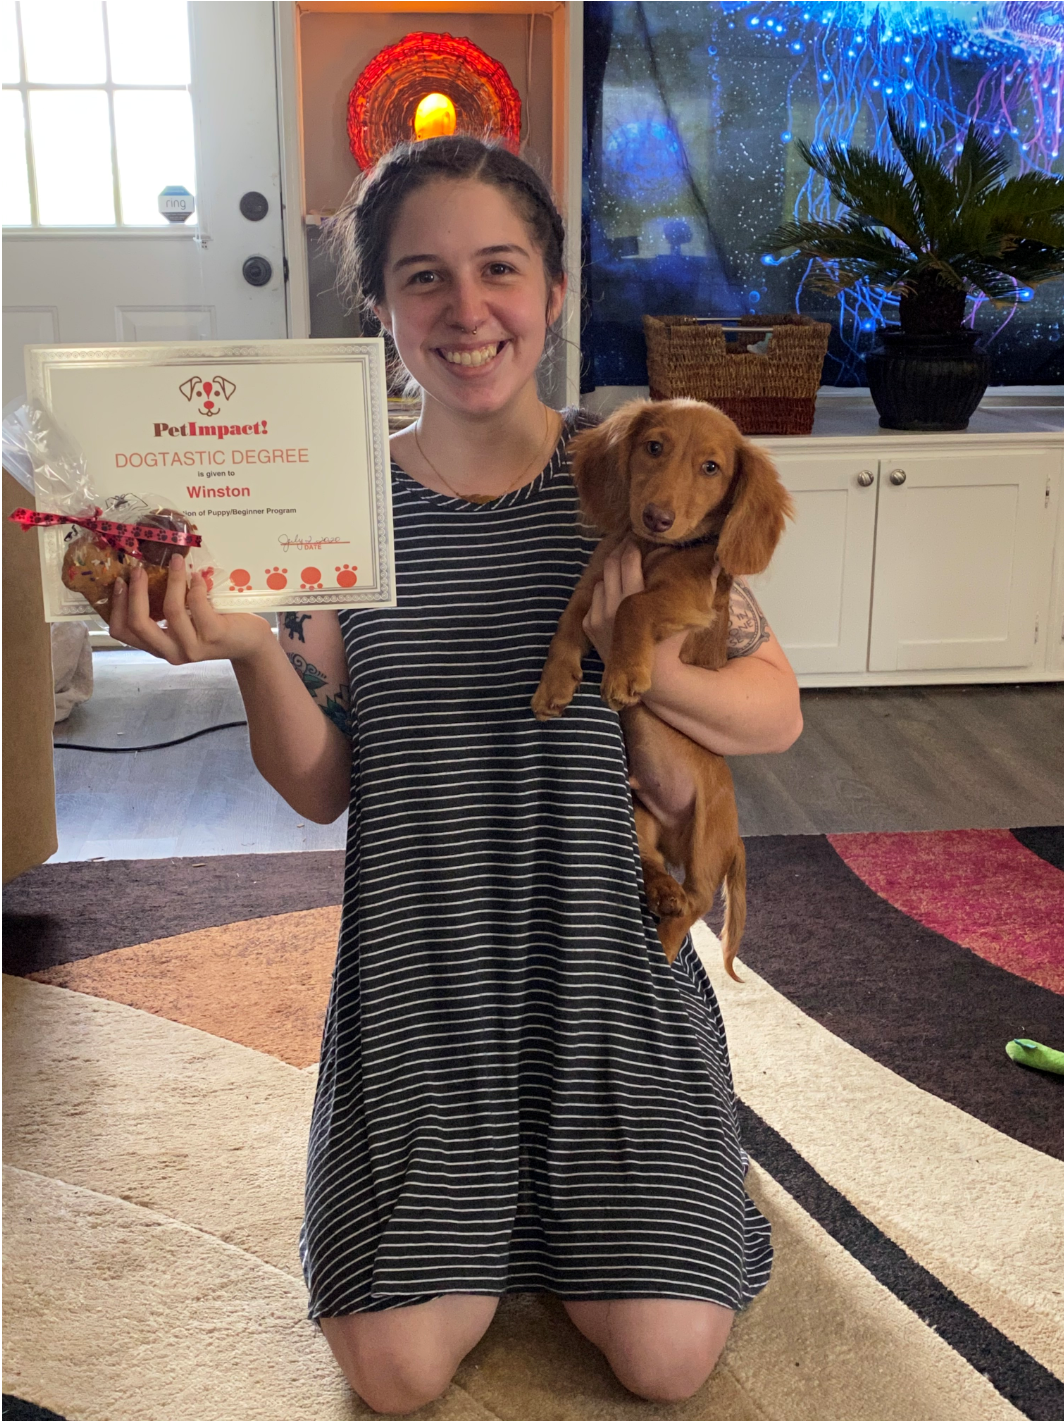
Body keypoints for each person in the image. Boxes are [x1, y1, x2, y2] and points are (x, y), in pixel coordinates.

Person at [109, 135, 802, 1414]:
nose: (465, 309)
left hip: (608, 983)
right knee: (394, 1372)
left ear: (549, 293)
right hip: (420, 988)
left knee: (666, 1359)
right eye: (422, 278)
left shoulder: (635, 472)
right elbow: (320, 783)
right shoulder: (332, 503)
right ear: (378, 307)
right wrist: (254, 649)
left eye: (499, 269)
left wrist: (623, 654)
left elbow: (772, 712)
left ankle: (680, 1143)